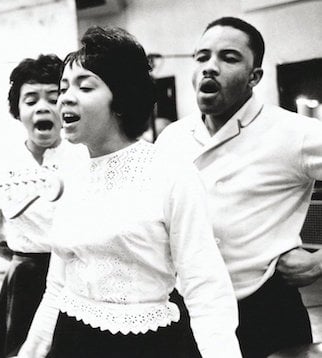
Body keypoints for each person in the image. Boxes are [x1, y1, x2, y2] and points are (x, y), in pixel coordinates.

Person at [17, 26, 241, 358]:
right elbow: (57, 288)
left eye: (85, 86)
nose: (64, 97)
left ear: (121, 97)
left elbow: (205, 287)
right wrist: (31, 352)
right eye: (63, 88)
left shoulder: (170, 172)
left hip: (148, 344)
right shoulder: (69, 174)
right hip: (72, 340)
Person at [156, 16, 322, 357]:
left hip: (266, 310)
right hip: (188, 311)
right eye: (202, 57)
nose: (210, 68)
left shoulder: (294, 133)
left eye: (228, 58)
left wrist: (321, 261)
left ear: (254, 76)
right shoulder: (172, 138)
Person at [0, 54, 87, 358]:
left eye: (53, 98)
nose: (42, 106)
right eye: (30, 100)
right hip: (24, 277)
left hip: (74, 277)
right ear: (18, 110)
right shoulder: (5, 162)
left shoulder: (82, 155)